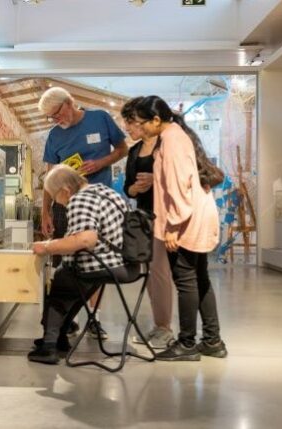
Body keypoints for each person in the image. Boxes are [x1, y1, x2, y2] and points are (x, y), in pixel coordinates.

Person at [128, 95, 227, 361]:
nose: (136, 128)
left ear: (156, 120)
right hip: (195, 214)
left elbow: (177, 186)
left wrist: (172, 226)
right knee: (200, 278)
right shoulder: (176, 136)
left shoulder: (170, 141)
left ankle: (186, 344)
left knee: (186, 281)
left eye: (138, 122)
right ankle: (212, 340)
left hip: (185, 219)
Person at [38, 87, 130, 340]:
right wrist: (45, 212)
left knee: (94, 260)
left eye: (57, 114)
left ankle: (93, 317)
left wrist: (101, 163)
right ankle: (69, 318)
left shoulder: (99, 118)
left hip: (98, 204)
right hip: (65, 205)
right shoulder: (54, 136)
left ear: (69, 103)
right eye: (51, 118)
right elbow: (49, 177)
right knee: (66, 264)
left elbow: (123, 149)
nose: (57, 121)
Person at [28, 165, 137, 365]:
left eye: (55, 198)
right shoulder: (106, 192)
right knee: (77, 285)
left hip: (103, 264)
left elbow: (85, 240)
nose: (58, 203)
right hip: (127, 264)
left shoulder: (79, 200)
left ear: (65, 191)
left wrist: (47, 246)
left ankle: (49, 346)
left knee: (61, 279)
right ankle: (60, 336)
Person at [121, 97, 175, 349]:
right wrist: (135, 187)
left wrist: (156, 180)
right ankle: (158, 325)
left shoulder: (166, 144)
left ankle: (165, 327)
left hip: (166, 216)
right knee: (151, 274)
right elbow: (127, 188)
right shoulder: (133, 151)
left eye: (131, 123)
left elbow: (177, 177)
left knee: (161, 273)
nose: (129, 129)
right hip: (143, 217)